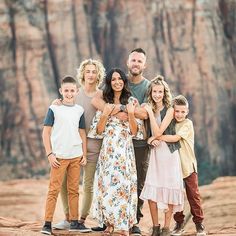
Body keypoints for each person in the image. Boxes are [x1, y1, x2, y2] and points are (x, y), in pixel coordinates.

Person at [91, 48, 150, 235]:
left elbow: (135, 130)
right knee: (106, 185)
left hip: (125, 150)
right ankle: (108, 223)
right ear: (109, 82)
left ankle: (126, 224)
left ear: (124, 82)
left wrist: (131, 114)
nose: (117, 82)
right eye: (113, 79)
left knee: (126, 186)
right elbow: (98, 131)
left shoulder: (131, 100)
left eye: (119, 79)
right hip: (108, 151)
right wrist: (106, 113)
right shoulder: (105, 101)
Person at [52, 59, 105, 232]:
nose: (91, 74)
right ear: (82, 73)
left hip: (94, 146)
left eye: (94, 71)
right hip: (72, 146)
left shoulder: (102, 95)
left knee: (88, 184)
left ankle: (81, 220)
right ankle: (69, 218)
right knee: (64, 183)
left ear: (98, 75)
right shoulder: (75, 93)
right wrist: (57, 103)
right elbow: (64, 108)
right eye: (88, 71)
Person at [41, 76, 87, 235]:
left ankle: (74, 222)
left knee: (74, 190)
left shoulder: (79, 110)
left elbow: (82, 133)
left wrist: (84, 154)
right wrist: (49, 154)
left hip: (75, 155)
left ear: (77, 92)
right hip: (59, 157)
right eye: (66, 90)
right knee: (53, 190)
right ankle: (47, 224)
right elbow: (46, 132)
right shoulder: (54, 109)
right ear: (61, 91)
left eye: (72, 91)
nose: (69, 93)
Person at [140, 76, 184, 236]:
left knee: (170, 188)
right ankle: (156, 227)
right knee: (153, 189)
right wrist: (150, 140)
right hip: (155, 154)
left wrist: (151, 114)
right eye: (154, 92)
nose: (157, 94)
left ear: (164, 93)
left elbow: (158, 132)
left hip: (169, 154)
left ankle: (166, 228)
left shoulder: (170, 109)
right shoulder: (147, 107)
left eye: (160, 91)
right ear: (150, 93)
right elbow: (147, 133)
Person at [157, 95, 206, 236]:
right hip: (174, 167)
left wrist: (157, 136)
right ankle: (179, 224)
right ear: (172, 111)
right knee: (176, 196)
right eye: (177, 111)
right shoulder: (169, 124)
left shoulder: (187, 124)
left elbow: (175, 138)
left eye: (182, 112)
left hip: (188, 166)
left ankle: (199, 224)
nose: (179, 114)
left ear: (187, 112)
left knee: (193, 196)